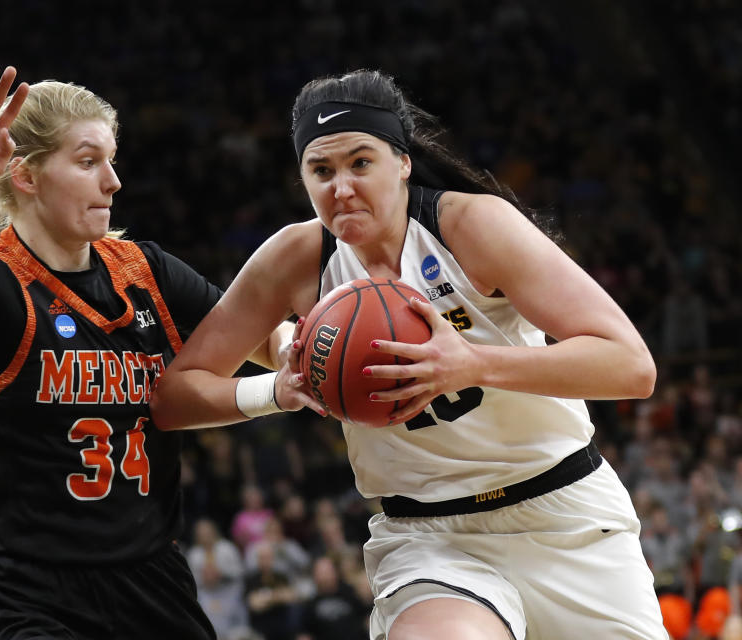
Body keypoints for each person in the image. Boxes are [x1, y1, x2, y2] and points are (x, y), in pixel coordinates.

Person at [151, 69, 667, 639]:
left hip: (565, 516)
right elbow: (174, 397)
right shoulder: (296, 258)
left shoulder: (472, 226)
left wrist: (472, 363)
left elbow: (630, 365)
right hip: (431, 539)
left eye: (360, 163)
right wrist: (276, 389)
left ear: (403, 162)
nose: (340, 186)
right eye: (320, 171)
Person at [0, 66, 292, 639]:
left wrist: (309, 351)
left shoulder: (146, 271)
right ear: (26, 175)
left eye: (111, 161)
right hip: (25, 595)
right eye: (89, 161)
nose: (113, 181)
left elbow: (262, 335)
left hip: (151, 581)